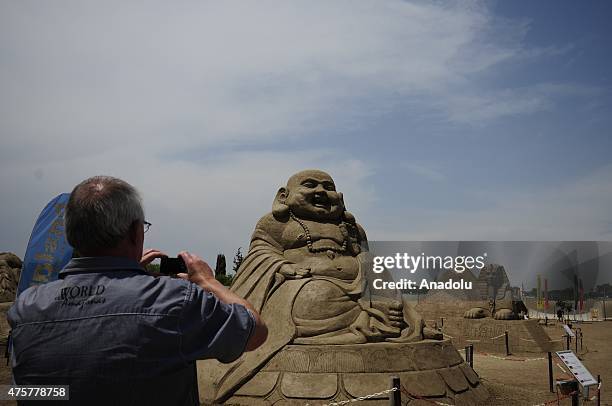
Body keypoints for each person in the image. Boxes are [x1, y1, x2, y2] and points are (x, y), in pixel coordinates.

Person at [8, 176, 267, 406]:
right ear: (135, 232)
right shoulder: (173, 301)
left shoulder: (25, 309)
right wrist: (209, 282)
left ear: (71, 234)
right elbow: (255, 331)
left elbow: (34, 391)